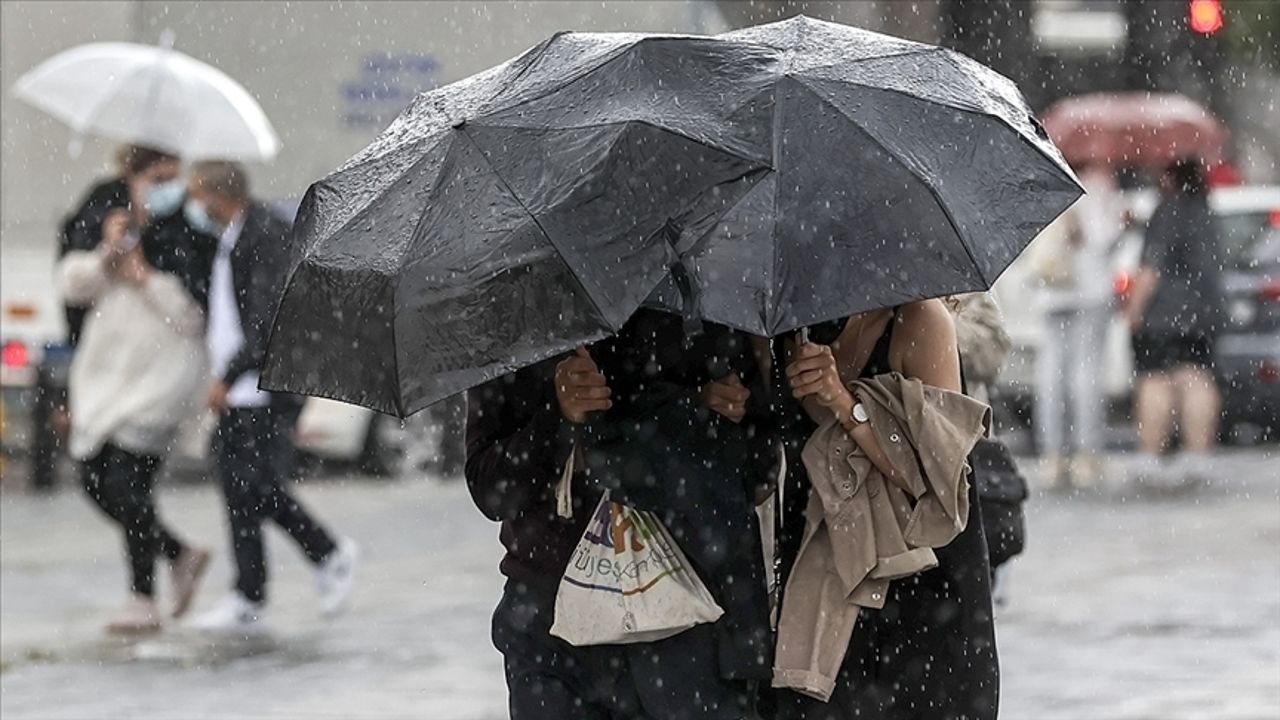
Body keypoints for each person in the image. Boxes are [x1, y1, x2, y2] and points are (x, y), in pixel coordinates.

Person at [466, 309, 774, 720]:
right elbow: (491, 489)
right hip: (550, 619)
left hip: (687, 612)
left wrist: (700, 411)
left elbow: (758, 466)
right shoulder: (509, 321)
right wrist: (560, 419)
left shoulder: (698, 297)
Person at [768, 299, 998, 720]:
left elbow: (933, 477)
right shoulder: (789, 327)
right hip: (826, 575)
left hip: (920, 583)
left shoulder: (921, 320)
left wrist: (843, 401)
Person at [185, 161, 358, 633]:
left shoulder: (264, 234)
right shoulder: (234, 234)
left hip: (263, 386)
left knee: (258, 486)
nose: (192, 204)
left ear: (217, 195)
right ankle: (250, 594)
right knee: (237, 486)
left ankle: (328, 552)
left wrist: (229, 374)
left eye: (195, 193)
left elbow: (265, 319)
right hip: (243, 389)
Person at [57, 148, 216, 634]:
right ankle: (179, 553)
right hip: (108, 375)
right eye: (157, 177)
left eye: (175, 177)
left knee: (128, 481)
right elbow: (72, 287)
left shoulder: (190, 231)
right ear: (133, 176)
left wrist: (144, 277)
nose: (166, 186)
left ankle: (141, 597)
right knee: (92, 477)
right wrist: (109, 252)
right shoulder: (104, 214)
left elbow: (194, 314)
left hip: (162, 378)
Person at [1123, 157, 1225, 487]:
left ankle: (1151, 455)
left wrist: (1134, 310)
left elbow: (1153, 268)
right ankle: (1199, 456)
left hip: (1163, 314)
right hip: (1203, 313)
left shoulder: (1167, 211)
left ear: (1170, 176)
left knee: (1156, 381)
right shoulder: (1205, 210)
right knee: (1196, 378)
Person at [1033, 162, 1126, 489]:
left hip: (1053, 290)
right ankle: (1087, 455)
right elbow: (1103, 239)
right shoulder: (1098, 184)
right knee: (1086, 372)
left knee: (1050, 372)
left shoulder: (1046, 177)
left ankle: (1052, 455)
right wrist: (1121, 220)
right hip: (1089, 290)